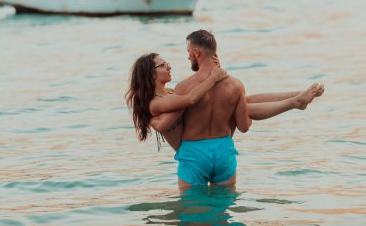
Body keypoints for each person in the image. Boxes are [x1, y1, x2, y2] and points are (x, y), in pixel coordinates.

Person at [126, 31, 324, 187]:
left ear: (197, 53)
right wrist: (220, 89)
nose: (184, 60)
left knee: (192, 214)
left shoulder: (180, 89)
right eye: (163, 65)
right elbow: (243, 125)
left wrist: (212, 84)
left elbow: (188, 102)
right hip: (224, 150)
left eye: (188, 53)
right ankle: (295, 100)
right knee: (223, 215)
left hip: (195, 154)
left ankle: (297, 99)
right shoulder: (232, 84)